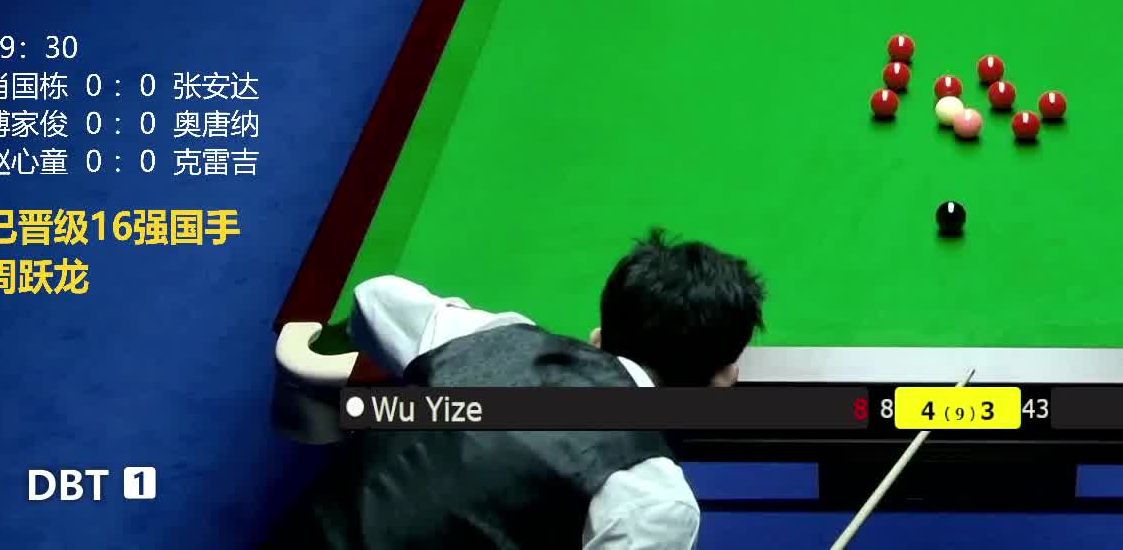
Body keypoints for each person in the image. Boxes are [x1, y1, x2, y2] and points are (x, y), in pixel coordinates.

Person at [264, 229, 767, 549]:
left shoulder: (494, 338)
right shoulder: (656, 501)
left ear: (598, 336)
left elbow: (375, 296)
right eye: (728, 367)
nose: (735, 377)